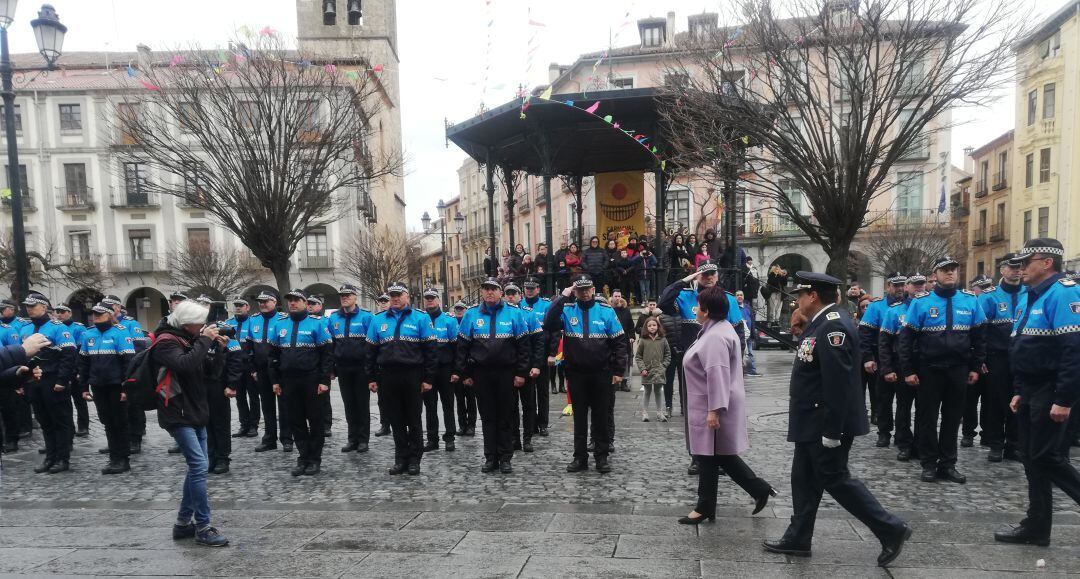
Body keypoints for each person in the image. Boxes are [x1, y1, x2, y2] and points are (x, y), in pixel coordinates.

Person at [763, 272, 912, 567]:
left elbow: (839, 383)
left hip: (824, 421)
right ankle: (798, 536)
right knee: (803, 479)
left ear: (813, 296)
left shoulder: (834, 328)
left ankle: (891, 528)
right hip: (811, 419)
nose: (798, 300)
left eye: (801, 295)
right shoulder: (822, 322)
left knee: (835, 478)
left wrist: (832, 431)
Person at [994, 238, 1080, 547]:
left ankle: (1037, 523)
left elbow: (1073, 350)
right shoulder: (1030, 297)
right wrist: (1019, 390)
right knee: (1031, 458)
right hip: (1031, 389)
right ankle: (1037, 526)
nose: (1020, 268)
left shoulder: (1064, 293)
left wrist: (1064, 399)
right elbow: (1022, 347)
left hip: (1051, 389)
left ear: (1046, 263)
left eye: (1026, 262)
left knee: (1048, 457)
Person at [680, 286, 775, 524]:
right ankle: (749, 492)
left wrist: (715, 409)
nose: (695, 310)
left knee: (711, 456)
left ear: (707, 310)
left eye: (699, 306)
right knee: (714, 456)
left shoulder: (715, 337)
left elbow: (717, 374)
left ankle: (707, 506)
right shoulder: (717, 331)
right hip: (710, 402)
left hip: (711, 404)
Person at [898, 256, 986, 484]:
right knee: (927, 418)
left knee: (952, 418)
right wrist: (907, 370)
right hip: (929, 369)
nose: (950, 274)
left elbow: (979, 337)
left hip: (958, 369)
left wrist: (976, 366)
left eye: (954, 270)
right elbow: (906, 339)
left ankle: (948, 464)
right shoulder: (921, 301)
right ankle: (928, 463)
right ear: (934, 275)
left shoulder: (970, 300)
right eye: (945, 270)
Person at [152, 299, 229, 547]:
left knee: (197, 466)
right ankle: (203, 527)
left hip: (196, 412)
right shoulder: (165, 342)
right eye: (199, 324)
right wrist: (205, 341)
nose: (203, 327)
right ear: (186, 323)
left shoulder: (189, 341)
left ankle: (183, 523)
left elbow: (209, 372)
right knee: (198, 467)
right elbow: (185, 365)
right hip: (177, 412)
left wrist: (219, 350)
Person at [660, 261, 744, 475]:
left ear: (718, 275)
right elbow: (663, 301)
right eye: (703, 274)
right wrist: (684, 281)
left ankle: (722, 456)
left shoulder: (729, 299)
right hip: (693, 368)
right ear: (697, 276)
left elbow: (739, 333)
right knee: (694, 414)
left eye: (711, 273)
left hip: (719, 365)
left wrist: (736, 362)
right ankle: (698, 457)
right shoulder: (686, 297)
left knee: (720, 412)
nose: (708, 277)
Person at [544, 274, 628, 474]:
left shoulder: (606, 311)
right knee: (579, 419)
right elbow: (548, 321)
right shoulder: (567, 310)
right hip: (576, 374)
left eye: (586, 289)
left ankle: (602, 457)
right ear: (575, 291)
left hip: (602, 373)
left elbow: (619, 342)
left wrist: (618, 371)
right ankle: (579, 458)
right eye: (579, 290)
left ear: (592, 289)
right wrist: (563, 296)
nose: (583, 293)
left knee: (601, 418)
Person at [455, 277, 532, 473]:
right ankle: (490, 457)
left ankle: (506, 457)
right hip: (481, 373)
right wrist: (465, 374)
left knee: (506, 416)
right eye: (486, 289)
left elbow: (524, 346)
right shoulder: (471, 315)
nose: (489, 292)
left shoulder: (514, 314)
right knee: (487, 416)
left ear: (500, 292)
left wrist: (521, 373)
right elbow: (462, 347)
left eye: (493, 289)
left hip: (506, 372)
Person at [366, 282, 436, 476]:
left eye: (399, 295)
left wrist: (428, 378)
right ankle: (400, 458)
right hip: (387, 376)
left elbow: (431, 352)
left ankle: (414, 460)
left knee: (413, 419)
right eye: (392, 295)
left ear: (407, 297)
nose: (395, 298)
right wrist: (371, 377)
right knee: (395, 420)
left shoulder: (421, 318)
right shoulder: (378, 320)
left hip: (412, 375)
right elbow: (370, 352)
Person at [269, 290, 333, 476]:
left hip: (311, 380)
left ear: (305, 302)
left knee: (315, 420)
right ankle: (303, 457)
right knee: (295, 421)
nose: (293, 303)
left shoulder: (317, 324)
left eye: (297, 300)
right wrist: (275, 381)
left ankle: (314, 459)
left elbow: (326, 356)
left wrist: (324, 380)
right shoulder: (280, 325)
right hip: (289, 381)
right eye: (290, 301)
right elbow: (273, 356)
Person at [20, 292, 78, 474]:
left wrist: (62, 380)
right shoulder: (25, 329)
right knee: (44, 421)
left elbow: (69, 356)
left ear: (44, 307)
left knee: (59, 420)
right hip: (33, 381)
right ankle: (50, 456)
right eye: (27, 306)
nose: (29, 309)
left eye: (33, 306)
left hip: (53, 380)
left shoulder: (57, 327)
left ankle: (62, 458)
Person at [976, 254, 1025, 462]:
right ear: (1002, 270)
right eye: (1012, 267)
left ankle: (1014, 444)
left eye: (1019, 267)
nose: (1016, 270)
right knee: (996, 402)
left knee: (1020, 401)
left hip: (1023, 358)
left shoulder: (1030, 292)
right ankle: (996, 444)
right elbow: (979, 332)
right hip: (997, 358)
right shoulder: (988, 296)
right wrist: (981, 359)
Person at [78, 303, 136, 475]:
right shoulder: (88, 334)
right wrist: (84, 387)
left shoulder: (120, 333)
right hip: (98, 386)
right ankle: (114, 457)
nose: (96, 317)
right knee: (107, 422)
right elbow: (83, 364)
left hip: (116, 386)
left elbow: (129, 364)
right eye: (94, 315)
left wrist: (127, 388)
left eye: (100, 314)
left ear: (110, 315)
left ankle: (123, 459)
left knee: (120, 422)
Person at [877, 272, 926, 461]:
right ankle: (904, 443)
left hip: (925, 366)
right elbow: (884, 342)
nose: (919, 287)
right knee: (903, 408)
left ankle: (921, 443)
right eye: (915, 285)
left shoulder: (930, 305)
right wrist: (887, 368)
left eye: (922, 284)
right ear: (907, 288)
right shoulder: (895, 310)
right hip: (902, 365)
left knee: (925, 409)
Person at [859, 273, 907, 447]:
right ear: (888, 286)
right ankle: (884, 432)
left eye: (902, 285)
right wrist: (868, 358)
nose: (900, 289)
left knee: (904, 402)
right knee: (883, 399)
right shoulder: (876, 307)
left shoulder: (910, 306)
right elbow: (864, 335)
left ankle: (902, 434)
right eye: (896, 285)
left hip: (904, 361)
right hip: (882, 358)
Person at [328, 284, 374, 453]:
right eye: (342, 295)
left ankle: (363, 440)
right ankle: (352, 438)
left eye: (348, 295)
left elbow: (372, 345)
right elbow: (331, 345)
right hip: (343, 368)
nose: (344, 298)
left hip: (361, 367)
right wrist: (331, 368)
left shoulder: (366, 317)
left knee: (362, 404)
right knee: (349, 405)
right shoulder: (333, 318)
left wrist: (372, 370)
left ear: (355, 297)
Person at [248, 291, 292, 453]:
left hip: (280, 370)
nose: (263, 304)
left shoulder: (284, 319)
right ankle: (269, 439)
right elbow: (249, 347)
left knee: (284, 406)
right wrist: (252, 368)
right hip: (261, 370)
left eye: (266, 301)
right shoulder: (253, 320)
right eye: (260, 301)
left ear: (275, 302)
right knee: (266, 406)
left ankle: (287, 439)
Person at [503, 283, 543, 453]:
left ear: (520, 296)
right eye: (508, 293)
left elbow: (539, 343)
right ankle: (514, 439)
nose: (511, 296)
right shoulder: (502, 315)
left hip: (527, 367)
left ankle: (527, 439)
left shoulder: (529, 315)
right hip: (509, 368)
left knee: (528, 406)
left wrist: (536, 365)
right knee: (510, 406)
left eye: (514, 293)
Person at [420, 289, 458, 453]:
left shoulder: (449, 320)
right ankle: (432, 439)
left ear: (438, 300)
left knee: (448, 405)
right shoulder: (420, 319)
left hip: (445, 369)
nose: (429, 301)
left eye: (432, 298)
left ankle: (449, 438)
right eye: (426, 298)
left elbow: (457, 348)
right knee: (429, 407)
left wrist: (456, 370)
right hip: (428, 370)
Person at [205, 322, 243, 476]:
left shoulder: (230, 339)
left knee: (220, 424)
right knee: (205, 425)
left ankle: (222, 458)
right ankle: (210, 456)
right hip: (202, 386)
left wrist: (232, 385)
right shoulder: (203, 338)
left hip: (219, 386)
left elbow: (235, 364)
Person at [521, 278, 553, 436]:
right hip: (525, 355)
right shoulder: (518, 305)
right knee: (528, 393)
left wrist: (552, 353)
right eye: (527, 288)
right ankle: (531, 422)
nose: (529, 290)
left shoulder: (546, 305)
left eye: (532, 288)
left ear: (538, 289)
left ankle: (543, 423)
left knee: (542, 391)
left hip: (542, 354)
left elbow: (553, 331)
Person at [225, 298, 260, 439]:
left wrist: (254, 367)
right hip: (235, 365)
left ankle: (253, 425)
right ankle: (244, 424)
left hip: (248, 365)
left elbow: (256, 346)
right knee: (239, 397)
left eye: (241, 306)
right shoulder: (228, 324)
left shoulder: (253, 322)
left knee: (253, 396)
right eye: (236, 306)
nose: (238, 308)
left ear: (247, 307)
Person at [54, 304, 88, 438]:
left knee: (79, 399)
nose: (59, 314)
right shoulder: (55, 327)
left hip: (75, 369)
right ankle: (69, 428)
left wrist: (81, 370)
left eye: (62, 312)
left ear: (69, 313)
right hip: (61, 369)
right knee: (64, 402)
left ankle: (83, 426)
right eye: (57, 312)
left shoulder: (78, 328)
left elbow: (81, 351)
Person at [305, 294, 334, 437]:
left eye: (313, 304)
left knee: (324, 397)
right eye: (308, 303)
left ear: (320, 306)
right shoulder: (305, 321)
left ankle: (326, 424)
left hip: (323, 365)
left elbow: (331, 346)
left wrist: (331, 369)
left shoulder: (326, 321)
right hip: (309, 366)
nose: (310, 306)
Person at [634, 316, 670, 422]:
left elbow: (668, 354)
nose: (652, 327)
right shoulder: (643, 340)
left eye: (654, 325)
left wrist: (663, 366)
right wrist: (642, 369)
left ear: (658, 326)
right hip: (647, 371)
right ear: (646, 327)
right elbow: (638, 356)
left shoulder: (663, 339)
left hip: (659, 370)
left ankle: (660, 412)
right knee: (647, 391)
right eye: (649, 325)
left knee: (658, 391)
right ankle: (644, 412)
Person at [450, 300, 477, 437]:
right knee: (459, 399)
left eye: (462, 309)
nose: (459, 311)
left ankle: (471, 425)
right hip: (456, 369)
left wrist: (468, 373)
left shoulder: (470, 324)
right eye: (457, 309)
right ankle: (462, 425)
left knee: (471, 399)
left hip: (470, 368)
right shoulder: (452, 323)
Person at [737, 291, 761, 376]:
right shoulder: (734, 308)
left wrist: (753, 333)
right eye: (737, 295)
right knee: (740, 354)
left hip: (748, 335)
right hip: (739, 335)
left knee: (750, 353)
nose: (739, 296)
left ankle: (752, 370)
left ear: (743, 296)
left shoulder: (748, 307)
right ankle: (741, 371)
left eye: (741, 295)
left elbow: (752, 321)